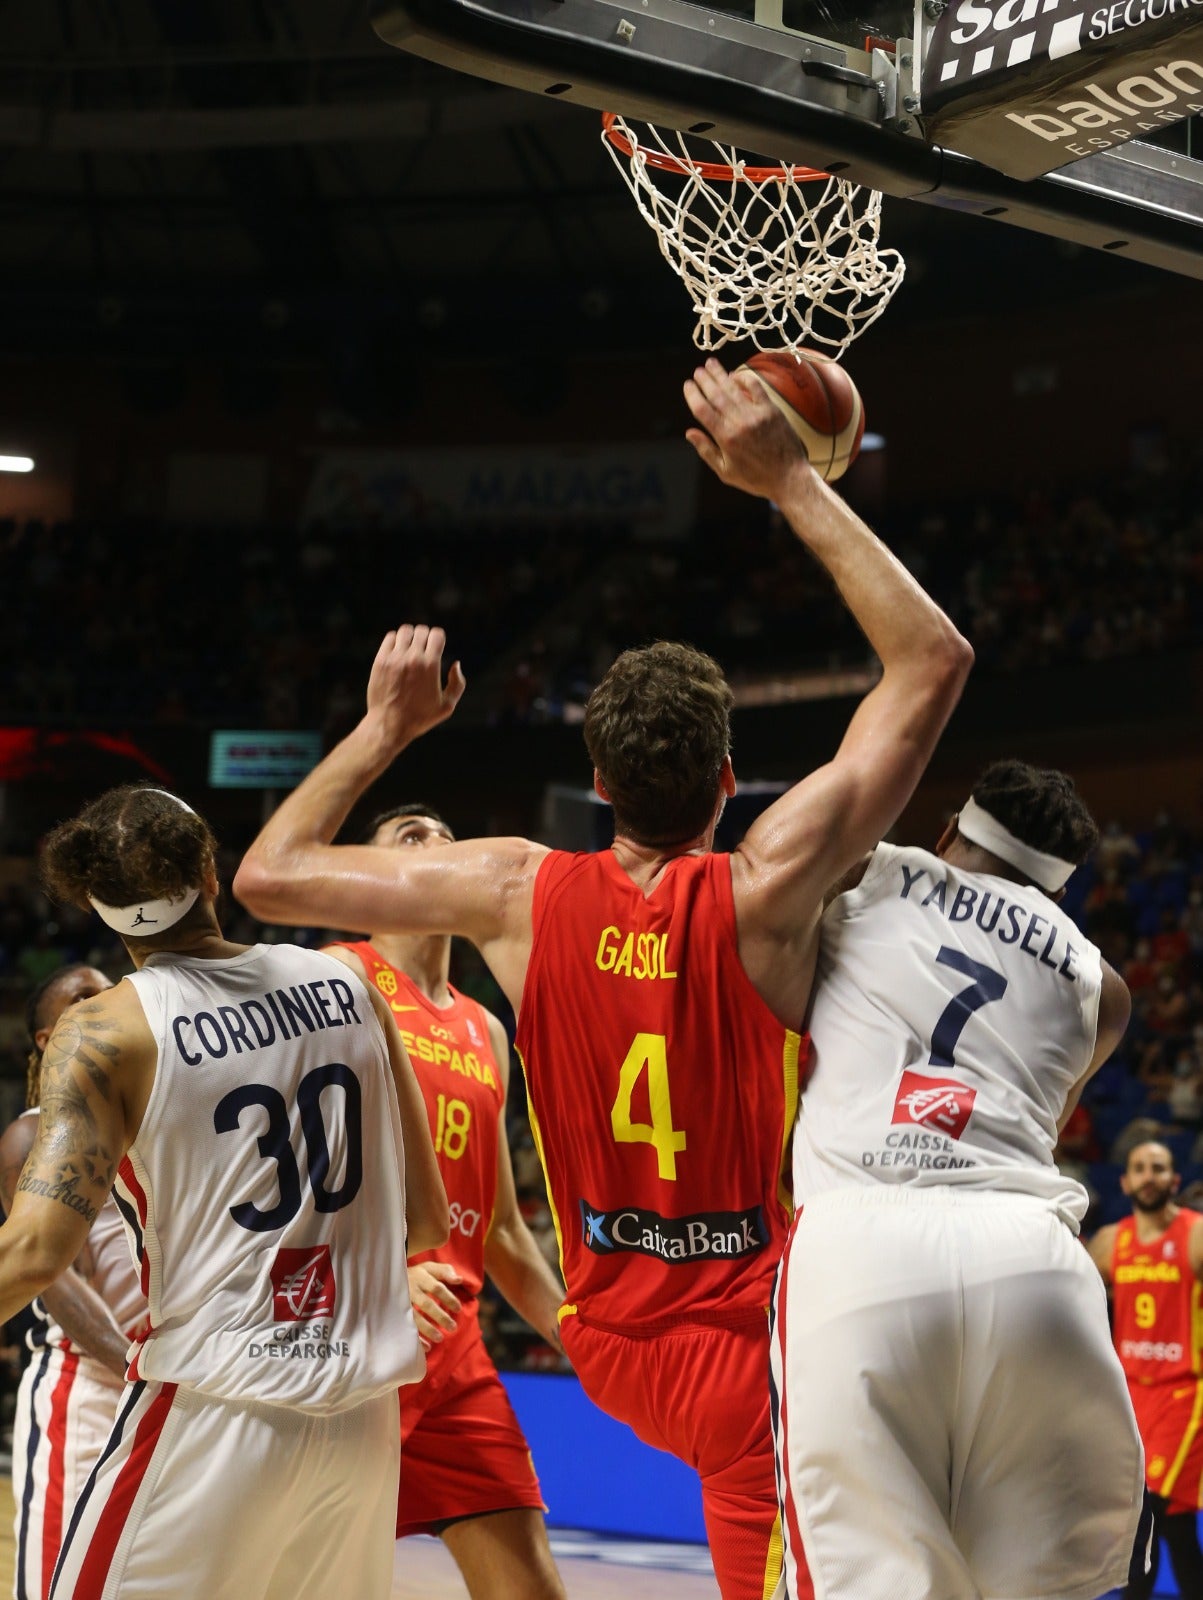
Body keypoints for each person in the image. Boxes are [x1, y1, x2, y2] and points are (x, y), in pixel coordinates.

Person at [234, 356, 973, 1600]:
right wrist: (788, 481)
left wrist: (387, 731)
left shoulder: (518, 891)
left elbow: (267, 872)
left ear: (602, 788)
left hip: (608, 1341)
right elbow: (933, 661)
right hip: (754, 1342)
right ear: (730, 784)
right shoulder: (763, 883)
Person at [0, 784, 448, 1600]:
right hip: (360, 1418)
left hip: (214, 1411)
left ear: (98, 905)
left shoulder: (106, 1030)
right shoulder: (347, 984)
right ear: (211, 872)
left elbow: (33, 1251)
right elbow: (423, 1220)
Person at [771, 760, 1144, 1600]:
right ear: (1059, 885)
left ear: (948, 832)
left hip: (865, 1240)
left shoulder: (868, 872)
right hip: (1033, 1259)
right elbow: (1048, 1115)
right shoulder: (1104, 989)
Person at [323, 803, 567, 1600]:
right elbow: (292, 1168)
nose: (438, 846)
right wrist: (384, 1268)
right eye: (410, 837)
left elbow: (497, 1225)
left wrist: (578, 1333)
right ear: (369, 877)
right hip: (349, 1332)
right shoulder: (340, 977)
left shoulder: (484, 1029)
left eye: (446, 838)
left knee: (529, 1586)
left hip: (453, 1346)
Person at [0, 964, 147, 1600]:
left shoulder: (148, 1127)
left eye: (109, 990)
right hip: (85, 1385)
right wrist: (133, 1368)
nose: (105, 1001)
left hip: (160, 1379)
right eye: (84, 996)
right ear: (45, 1038)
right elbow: (54, 1281)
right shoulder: (33, 1133)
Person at [1089, 1139, 1203, 1600]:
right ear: (1125, 1181)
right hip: (1131, 1395)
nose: (1148, 1175)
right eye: (1139, 1168)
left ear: (1174, 1180)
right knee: (1170, 1526)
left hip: (1183, 1396)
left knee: (1148, 1516)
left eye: (1158, 1168)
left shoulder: (1195, 1235)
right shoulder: (1109, 1241)